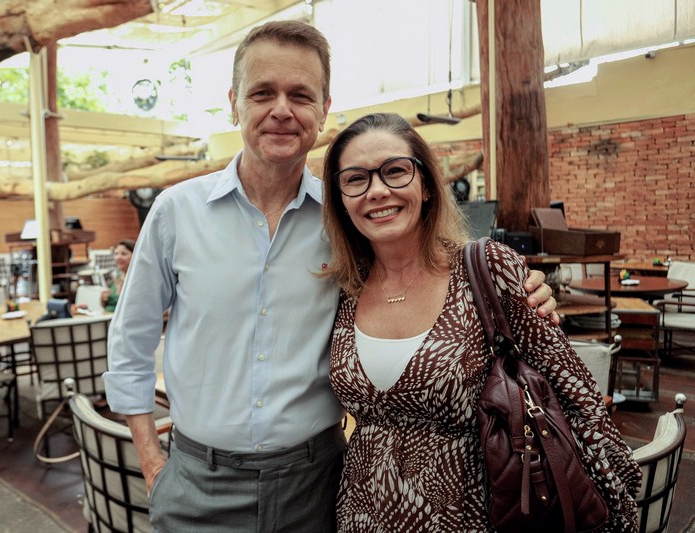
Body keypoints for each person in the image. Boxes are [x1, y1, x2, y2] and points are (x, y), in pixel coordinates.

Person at [104, 21, 557, 532]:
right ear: (234, 103)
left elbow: (419, 266)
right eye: (262, 93)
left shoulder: (347, 218)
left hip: (318, 485)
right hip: (196, 487)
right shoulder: (175, 213)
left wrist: (515, 288)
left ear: (323, 109)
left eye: (300, 95)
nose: (282, 110)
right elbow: (131, 343)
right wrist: (153, 465)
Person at [320, 112, 640, 531]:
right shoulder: (345, 288)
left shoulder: (486, 268)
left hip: (475, 514)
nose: (377, 191)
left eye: (395, 171)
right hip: (361, 515)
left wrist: (618, 502)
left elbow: (574, 392)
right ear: (341, 199)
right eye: (356, 179)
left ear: (427, 185)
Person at [101, 239, 134, 312]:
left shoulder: (135, 279)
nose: (118, 257)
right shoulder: (115, 276)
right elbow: (107, 304)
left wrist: (120, 292)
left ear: (134, 256)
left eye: (124, 254)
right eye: (116, 254)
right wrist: (103, 299)